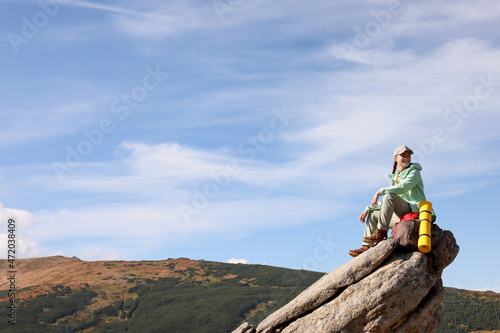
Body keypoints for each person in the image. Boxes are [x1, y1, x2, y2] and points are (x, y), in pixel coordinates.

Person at [348, 145, 434, 257]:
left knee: (388, 196)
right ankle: (367, 247)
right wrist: (368, 208)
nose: (407, 158)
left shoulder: (414, 172)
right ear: (395, 158)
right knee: (373, 214)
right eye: (403, 155)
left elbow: (402, 188)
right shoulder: (396, 177)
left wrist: (379, 192)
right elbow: (387, 203)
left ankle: (381, 232)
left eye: (408, 155)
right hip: (402, 215)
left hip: (414, 213)